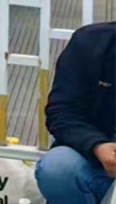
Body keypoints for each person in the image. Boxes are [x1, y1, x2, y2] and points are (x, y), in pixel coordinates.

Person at [36, 21, 115, 204]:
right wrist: (97, 146)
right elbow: (62, 110)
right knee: (57, 167)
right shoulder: (90, 41)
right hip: (98, 166)